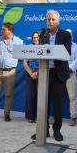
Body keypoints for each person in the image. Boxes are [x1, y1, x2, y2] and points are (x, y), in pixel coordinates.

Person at [31, 10, 71, 142]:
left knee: (57, 105)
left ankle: (57, 131)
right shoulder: (43, 34)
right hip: (44, 73)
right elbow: (38, 53)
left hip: (58, 74)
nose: (51, 22)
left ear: (58, 21)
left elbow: (67, 53)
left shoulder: (65, 35)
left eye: (53, 19)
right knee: (43, 104)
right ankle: (43, 130)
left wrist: (51, 50)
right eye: (49, 19)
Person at [0, 22, 23, 125]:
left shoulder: (19, 42)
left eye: (3, 29)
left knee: (9, 94)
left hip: (10, 72)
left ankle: (7, 114)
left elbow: (21, 57)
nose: (1, 31)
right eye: (1, 29)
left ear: (10, 31)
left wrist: (11, 61)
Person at [65, 29, 77, 126]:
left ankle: (73, 117)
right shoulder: (59, 46)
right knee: (56, 96)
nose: (68, 36)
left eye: (70, 35)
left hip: (71, 73)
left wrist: (69, 69)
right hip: (59, 74)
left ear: (72, 36)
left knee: (72, 96)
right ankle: (54, 116)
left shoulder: (76, 46)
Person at [23, 31, 40, 123]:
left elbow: (44, 63)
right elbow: (25, 63)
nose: (36, 39)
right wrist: (31, 73)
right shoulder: (28, 48)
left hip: (41, 74)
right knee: (30, 96)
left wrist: (37, 73)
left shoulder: (44, 48)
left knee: (40, 96)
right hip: (30, 74)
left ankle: (38, 116)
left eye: (37, 37)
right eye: (34, 37)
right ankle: (31, 116)